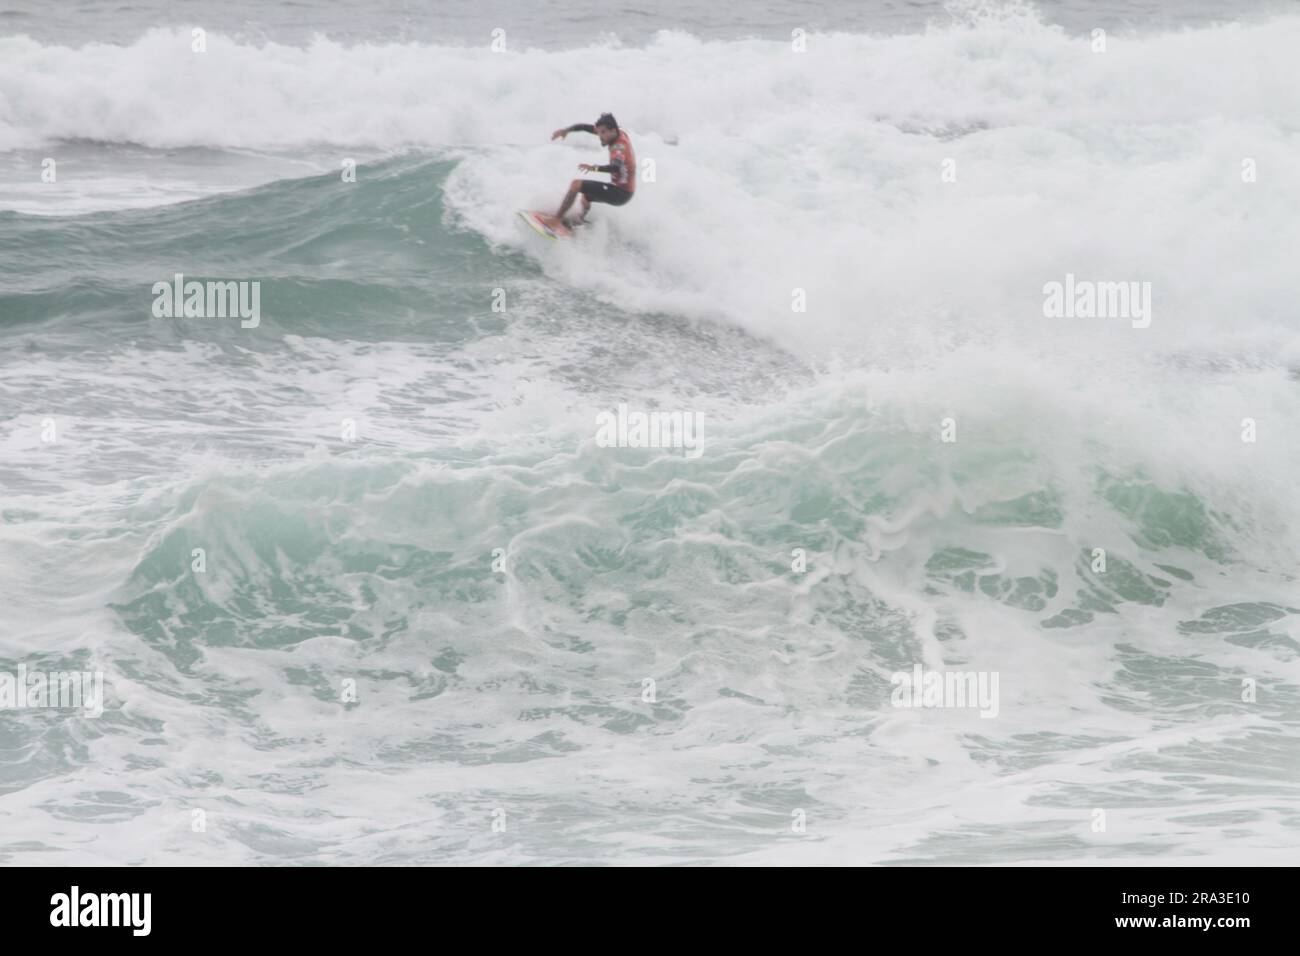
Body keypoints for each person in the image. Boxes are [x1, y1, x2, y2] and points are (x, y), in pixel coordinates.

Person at [545, 113, 635, 228]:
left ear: (613, 130)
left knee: (576, 185)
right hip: (622, 190)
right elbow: (584, 127)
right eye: (598, 132)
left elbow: (615, 167)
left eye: (602, 133)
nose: (600, 136)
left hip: (620, 193)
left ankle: (556, 220)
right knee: (587, 196)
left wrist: (593, 168)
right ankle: (577, 223)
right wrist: (566, 130)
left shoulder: (619, 147)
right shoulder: (614, 132)